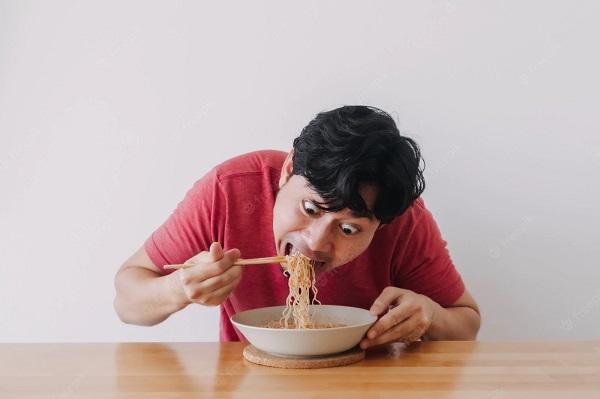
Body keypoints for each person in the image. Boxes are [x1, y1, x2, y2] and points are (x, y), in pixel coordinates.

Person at [114, 105, 480, 347]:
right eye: (310, 208)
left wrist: (429, 317)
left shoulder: (404, 218)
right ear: (288, 170)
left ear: (380, 226)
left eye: (349, 229)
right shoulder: (230, 189)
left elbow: (467, 324)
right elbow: (127, 303)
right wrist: (180, 289)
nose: (316, 243)